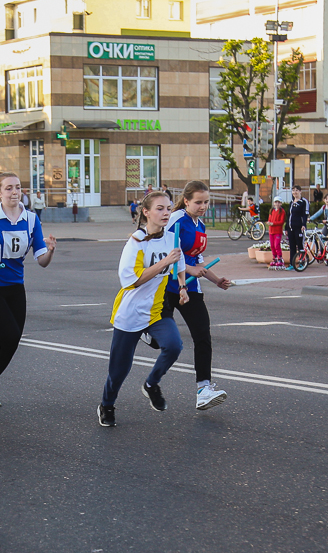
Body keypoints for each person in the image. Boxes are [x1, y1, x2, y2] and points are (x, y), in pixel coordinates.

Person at [0, 161, 57, 407]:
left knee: (12, 342)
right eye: (9, 188)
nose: (15, 192)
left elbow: (41, 261)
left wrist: (49, 251)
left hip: (16, 287)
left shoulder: (31, 219)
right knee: (9, 336)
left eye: (18, 187)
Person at [98, 192, 187, 427]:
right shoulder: (136, 242)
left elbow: (179, 265)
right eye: (160, 208)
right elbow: (131, 280)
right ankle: (107, 405)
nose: (166, 212)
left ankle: (151, 383)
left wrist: (183, 286)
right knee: (119, 371)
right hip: (130, 312)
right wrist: (163, 263)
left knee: (174, 346)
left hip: (156, 311)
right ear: (146, 212)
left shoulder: (171, 238)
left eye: (168, 208)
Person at [163, 181, 231, 410]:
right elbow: (165, 249)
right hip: (166, 285)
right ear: (186, 201)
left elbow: (198, 260)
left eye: (206, 202)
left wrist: (216, 280)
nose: (203, 206)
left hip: (191, 288)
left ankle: (203, 389)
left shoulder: (200, 224)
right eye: (199, 202)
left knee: (203, 335)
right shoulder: (176, 220)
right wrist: (187, 270)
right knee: (158, 338)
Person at [286, 185, 308, 271]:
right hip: (291, 227)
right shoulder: (291, 202)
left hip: (298, 227)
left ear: (300, 191)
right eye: (293, 190)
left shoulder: (303, 202)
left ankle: (302, 263)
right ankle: (292, 263)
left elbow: (305, 214)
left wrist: (303, 224)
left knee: (300, 246)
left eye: (297, 190)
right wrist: (286, 227)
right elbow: (289, 215)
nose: (295, 192)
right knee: (292, 246)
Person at [267, 197, 286, 269]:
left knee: (277, 245)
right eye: (276, 202)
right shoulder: (272, 210)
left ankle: (280, 258)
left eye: (278, 202)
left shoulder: (282, 211)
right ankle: (274, 258)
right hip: (271, 231)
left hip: (277, 231)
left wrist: (273, 223)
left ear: (281, 203)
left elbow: (281, 222)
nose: (277, 204)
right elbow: (269, 219)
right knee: (272, 245)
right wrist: (269, 223)